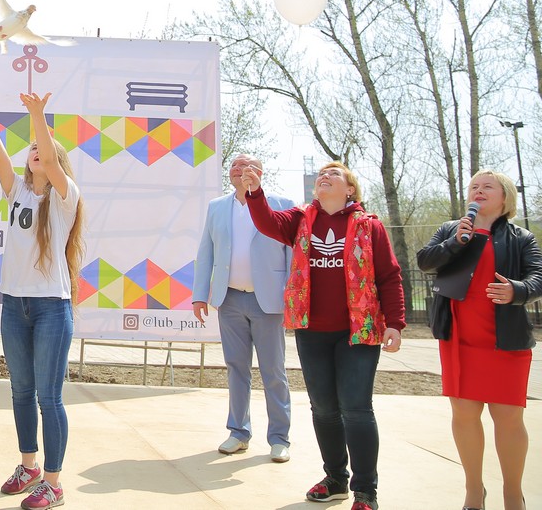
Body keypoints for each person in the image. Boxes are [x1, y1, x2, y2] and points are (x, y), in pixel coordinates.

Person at [243, 161, 404, 510]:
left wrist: (395, 322)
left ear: (350, 189)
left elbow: (389, 276)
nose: (324, 177)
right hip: (312, 330)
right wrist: (254, 191)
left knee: (356, 409)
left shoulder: (369, 225)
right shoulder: (301, 219)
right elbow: (267, 222)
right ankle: (335, 479)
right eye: (321, 175)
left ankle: (365, 492)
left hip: (358, 332)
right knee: (324, 409)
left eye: (334, 174)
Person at [0, 88, 84, 510]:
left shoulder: (66, 195)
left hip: (51, 308)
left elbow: (50, 162)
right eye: (31, 147)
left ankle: (53, 484)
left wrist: (38, 115)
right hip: (14, 307)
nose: (36, 151)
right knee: (20, 391)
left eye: (43, 147)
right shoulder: (17, 190)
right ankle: (29, 467)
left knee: (48, 398)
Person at [416, 170, 542, 510]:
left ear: (505, 197)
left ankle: (513, 495)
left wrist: (517, 290)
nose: (479, 190)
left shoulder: (521, 238)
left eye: (488, 186)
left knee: (508, 417)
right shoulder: (451, 229)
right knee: (464, 413)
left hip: (506, 340)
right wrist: (455, 242)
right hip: (459, 338)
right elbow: (425, 262)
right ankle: (474, 492)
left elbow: (538, 277)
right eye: (474, 186)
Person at [191, 155, 294, 462]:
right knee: (236, 368)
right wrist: (200, 295)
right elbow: (206, 252)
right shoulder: (217, 207)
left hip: (269, 302)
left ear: (260, 173)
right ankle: (238, 432)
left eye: (246, 166)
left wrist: (292, 297)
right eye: (234, 166)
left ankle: (279, 438)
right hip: (230, 299)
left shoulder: (282, 204)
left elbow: (292, 254)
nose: (238, 170)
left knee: (273, 371)